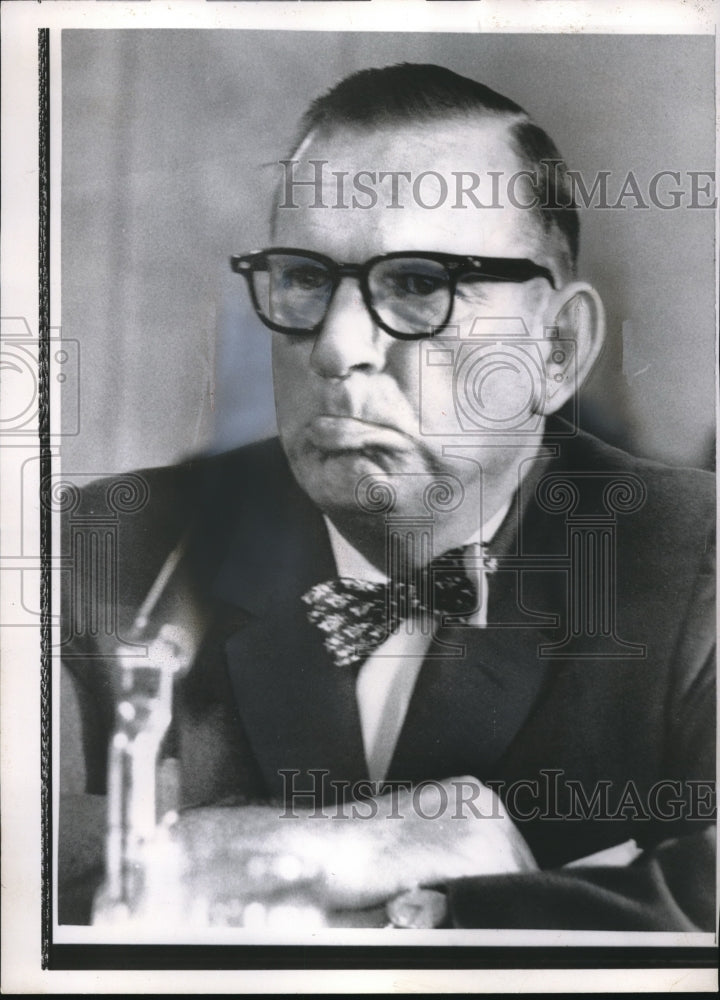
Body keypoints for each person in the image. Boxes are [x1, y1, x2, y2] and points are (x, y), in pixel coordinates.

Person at [59, 63, 715, 930]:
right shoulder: (103, 552)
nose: (335, 347)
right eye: (302, 277)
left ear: (555, 350)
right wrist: (355, 846)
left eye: (417, 285)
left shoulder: (696, 565)